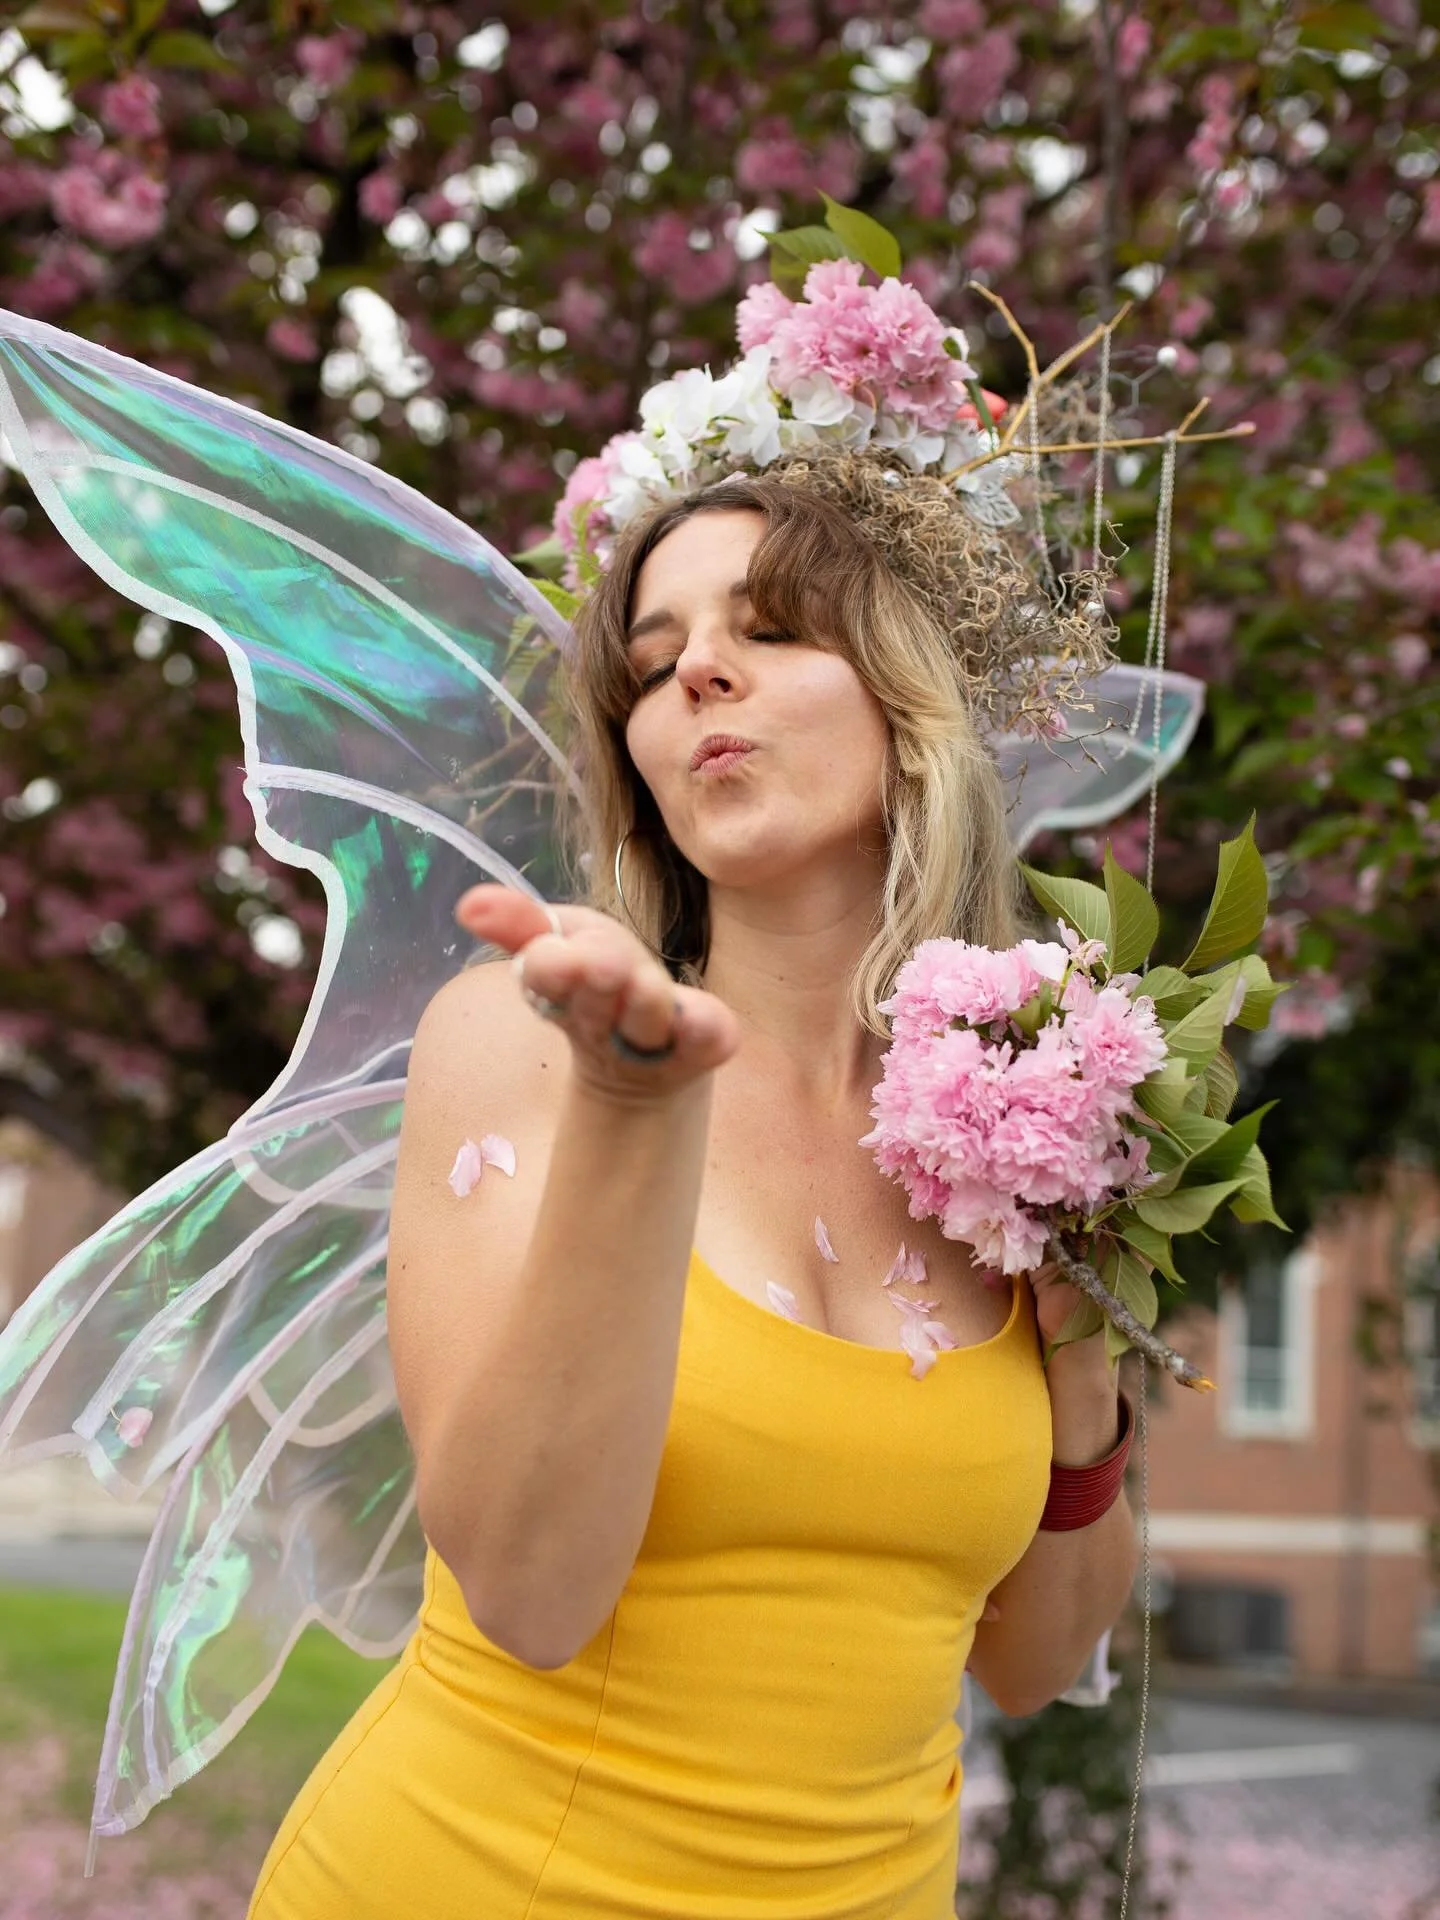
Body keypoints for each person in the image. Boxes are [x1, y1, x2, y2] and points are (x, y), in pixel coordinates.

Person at [245, 473, 1140, 1920]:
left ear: (910, 703)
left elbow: (1033, 1665)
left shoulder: (1024, 1116)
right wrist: (630, 1118)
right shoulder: (525, 1040)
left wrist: (1084, 1334)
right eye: (654, 667)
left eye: (772, 630)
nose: (701, 673)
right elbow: (531, 1600)